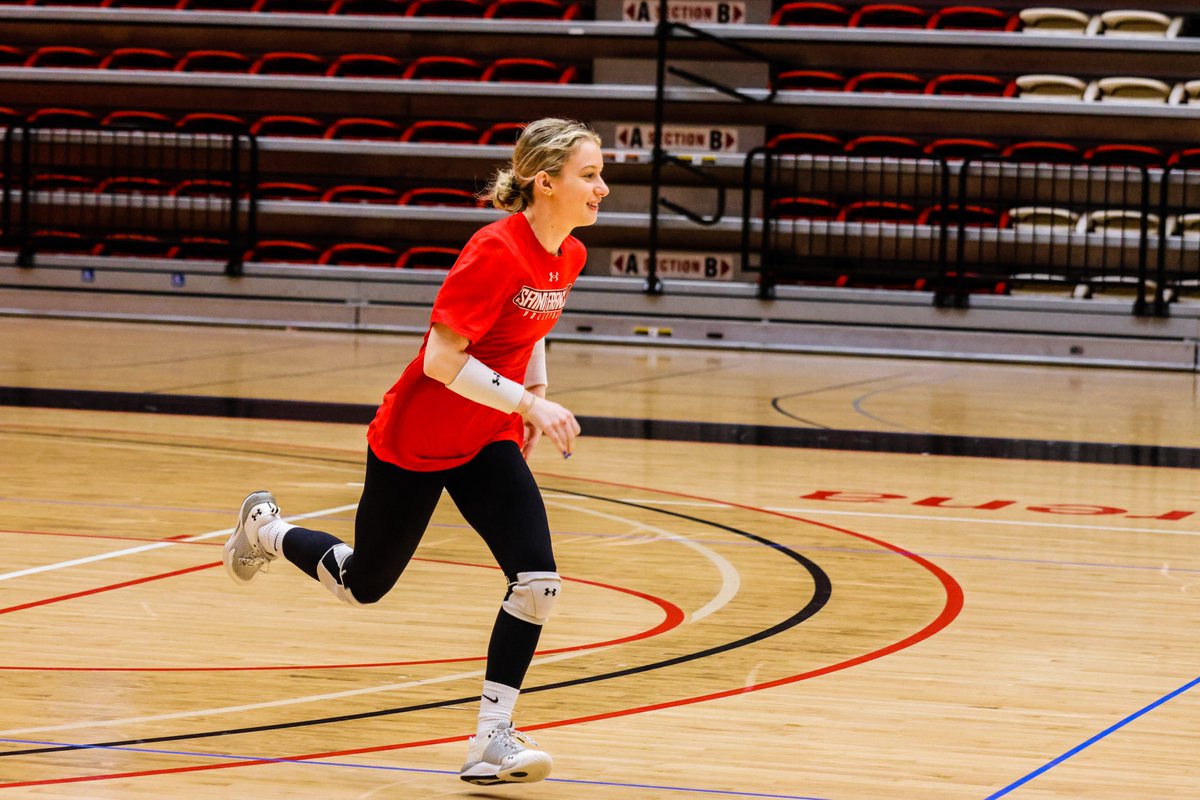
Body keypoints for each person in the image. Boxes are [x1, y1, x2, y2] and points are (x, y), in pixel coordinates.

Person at [222, 118, 608, 785]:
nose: (603, 186)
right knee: (363, 585)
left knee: (537, 580)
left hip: (485, 437)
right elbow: (439, 361)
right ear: (544, 182)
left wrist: (534, 392)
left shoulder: (566, 253)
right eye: (590, 174)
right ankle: (267, 529)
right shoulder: (494, 251)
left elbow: (531, 323)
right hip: (418, 437)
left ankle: (492, 741)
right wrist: (529, 404)